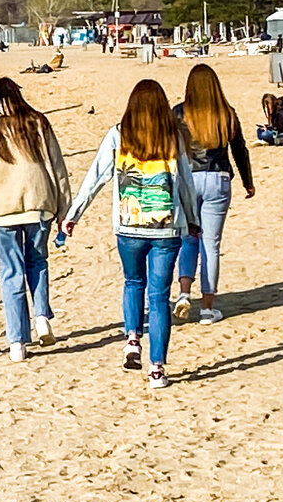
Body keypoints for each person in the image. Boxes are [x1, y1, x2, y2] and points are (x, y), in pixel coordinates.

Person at [62, 80, 201, 390]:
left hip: (128, 226)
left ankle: (133, 339)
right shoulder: (173, 137)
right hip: (166, 228)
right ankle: (156, 370)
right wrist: (192, 219)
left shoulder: (118, 134)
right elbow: (185, 185)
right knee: (159, 297)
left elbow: (95, 177)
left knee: (133, 282)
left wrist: (74, 214)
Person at [0, 79, 70, 362]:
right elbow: (57, 166)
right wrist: (64, 207)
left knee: (11, 272)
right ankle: (41, 316)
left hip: (2, 207)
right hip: (38, 201)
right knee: (37, 262)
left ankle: (17, 341)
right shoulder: (37, 121)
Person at [171, 65, 254, 325]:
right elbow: (240, 150)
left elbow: (171, 149)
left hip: (188, 178)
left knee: (188, 239)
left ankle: (184, 294)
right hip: (218, 178)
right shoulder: (226, 114)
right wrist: (248, 182)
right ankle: (207, 308)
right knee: (211, 244)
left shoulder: (180, 112)